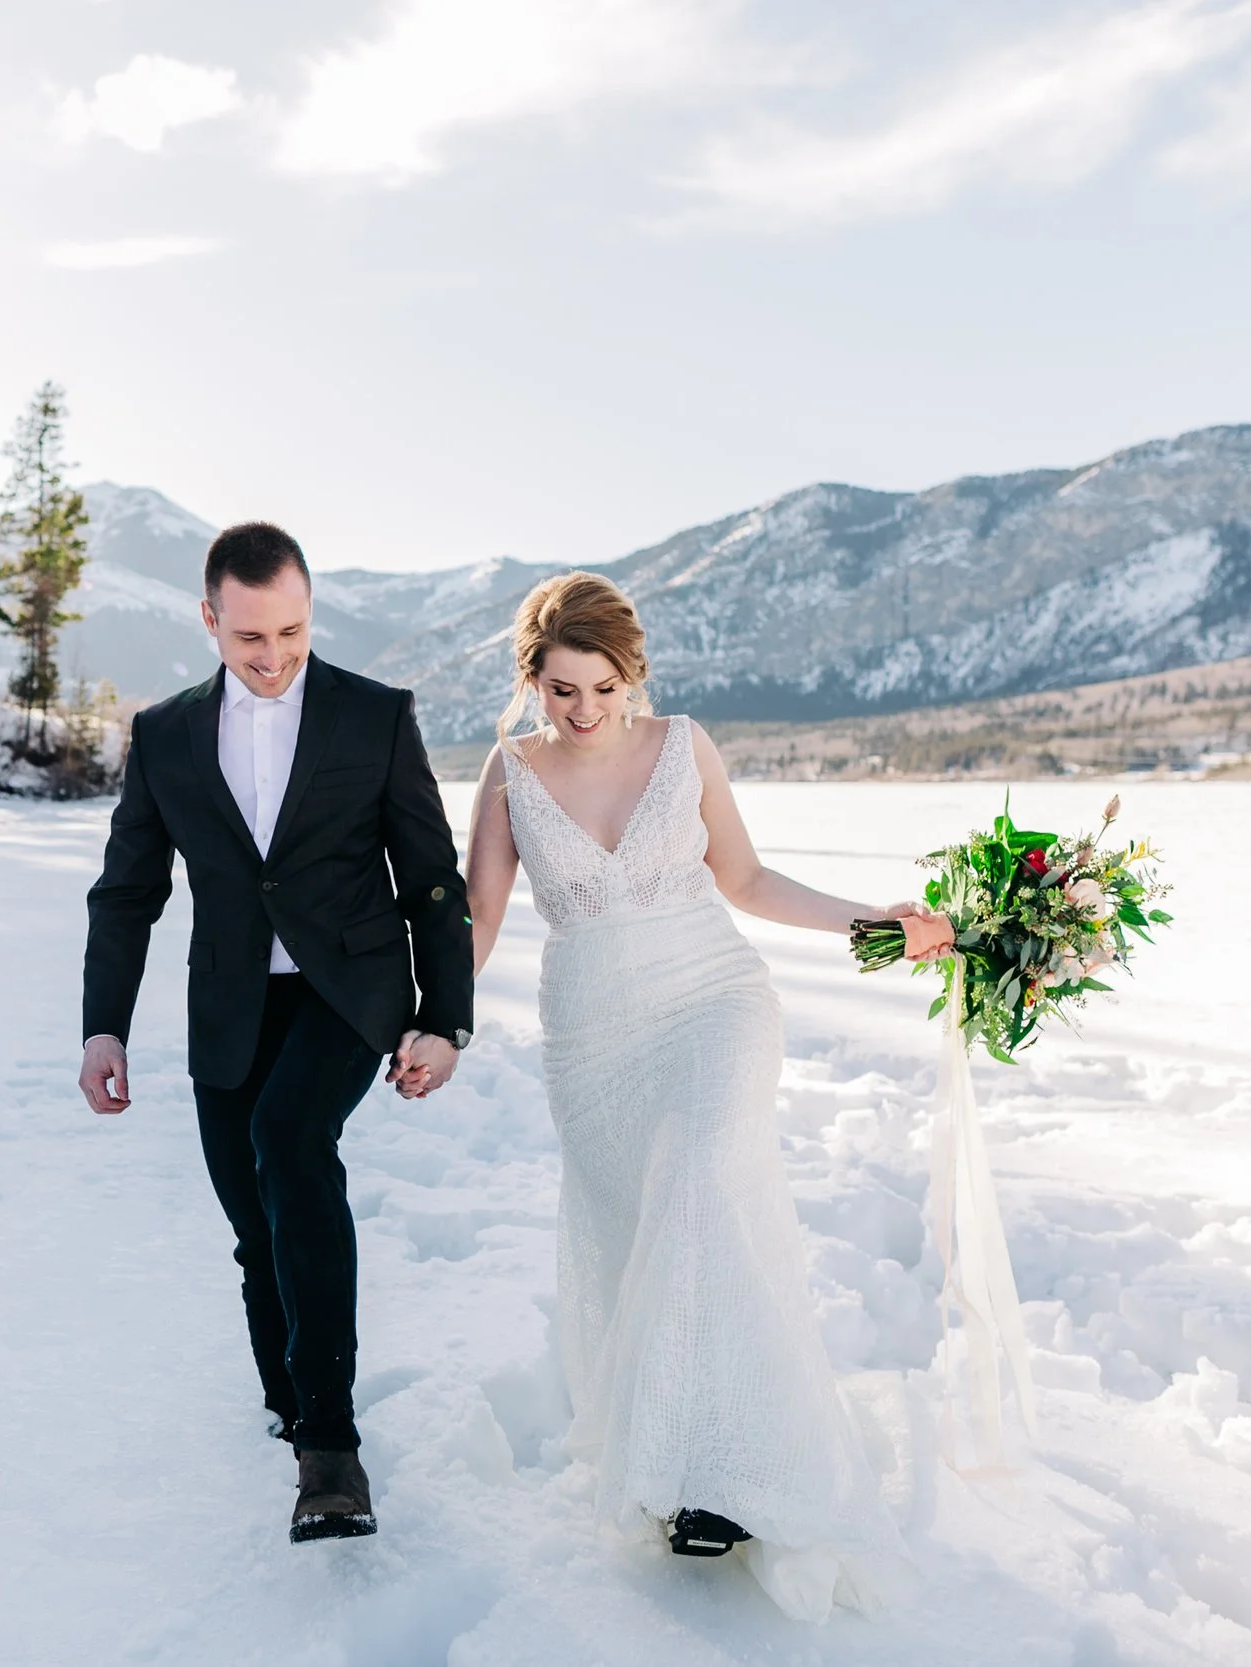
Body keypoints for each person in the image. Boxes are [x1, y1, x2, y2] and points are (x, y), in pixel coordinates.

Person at [400, 570, 949, 1618]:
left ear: (632, 674)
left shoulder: (682, 744)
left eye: (603, 687)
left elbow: (744, 878)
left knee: (701, 1180)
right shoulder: (510, 773)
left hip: (712, 999)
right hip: (594, 1035)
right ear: (532, 682)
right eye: (561, 689)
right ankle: (680, 1455)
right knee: (641, 1231)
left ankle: (729, 1480)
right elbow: (475, 917)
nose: (585, 710)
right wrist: (440, 1021)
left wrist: (867, 922)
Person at [78, 522, 475, 1544]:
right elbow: (127, 892)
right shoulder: (163, 734)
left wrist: (445, 1018)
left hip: (349, 990)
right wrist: (102, 1027)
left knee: (291, 1143)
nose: (271, 654)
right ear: (209, 618)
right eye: (249, 634)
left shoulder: (372, 717)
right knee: (256, 1226)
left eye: (291, 630)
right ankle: (289, 1401)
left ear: (310, 610)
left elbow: (430, 873)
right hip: (230, 1003)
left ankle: (330, 1448)